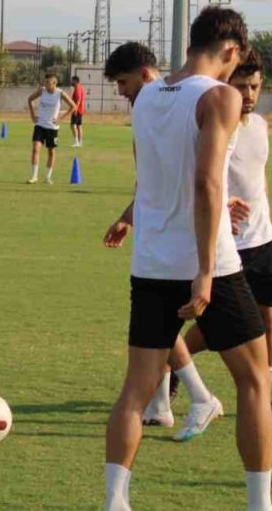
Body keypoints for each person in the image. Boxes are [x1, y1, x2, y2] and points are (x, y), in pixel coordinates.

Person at [101, 8, 272, 511]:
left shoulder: (147, 97)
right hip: (212, 267)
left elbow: (151, 181)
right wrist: (203, 271)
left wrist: (132, 218)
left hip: (151, 265)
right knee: (254, 380)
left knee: (136, 389)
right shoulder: (221, 96)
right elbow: (204, 182)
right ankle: (259, 505)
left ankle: (115, 503)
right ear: (230, 51)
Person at [100, 43, 220, 438]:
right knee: (161, 330)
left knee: (171, 330)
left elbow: (201, 178)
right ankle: (169, 403)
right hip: (157, 240)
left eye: (123, 82)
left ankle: (199, 398)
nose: (120, 92)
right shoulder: (145, 110)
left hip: (182, 244)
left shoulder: (189, 103)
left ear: (147, 76)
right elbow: (149, 180)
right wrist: (128, 217)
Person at [178, 49, 272, 424]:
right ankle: (172, 370)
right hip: (227, 244)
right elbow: (202, 178)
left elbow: (260, 177)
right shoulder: (216, 124)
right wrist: (223, 206)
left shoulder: (259, 126)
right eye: (242, 86)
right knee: (211, 328)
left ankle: (266, 399)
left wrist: (265, 216)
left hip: (262, 240)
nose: (250, 94)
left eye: (255, 86)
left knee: (267, 319)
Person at [26, 73, 76, 184]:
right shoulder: (42, 91)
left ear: (54, 83)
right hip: (40, 125)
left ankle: (48, 177)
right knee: (35, 149)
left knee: (51, 152)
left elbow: (73, 106)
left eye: (48, 82)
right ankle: (34, 176)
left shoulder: (60, 94)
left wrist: (61, 118)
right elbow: (30, 99)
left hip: (52, 128)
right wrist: (33, 115)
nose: (45, 84)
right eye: (45, 82)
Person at [71, 75, 87, 147]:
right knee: (79, 125)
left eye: (72, 80)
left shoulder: (77, 87)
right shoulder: (81, 87)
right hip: (81, 110)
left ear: (75, 81)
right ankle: (80, 142)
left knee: (73, 125)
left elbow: (78, 99)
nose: (71, 82)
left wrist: (75, 109)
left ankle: (76, 142)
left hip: (77, 109)